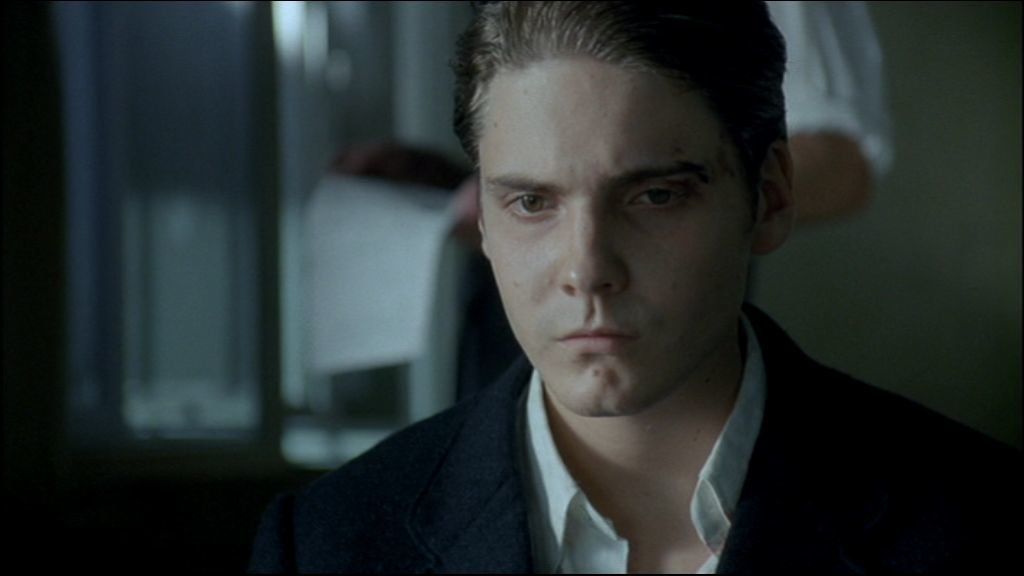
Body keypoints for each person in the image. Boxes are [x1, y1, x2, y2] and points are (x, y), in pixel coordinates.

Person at [250, 3, 1020, 573]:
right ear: (483, 214)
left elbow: (845, 160)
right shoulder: (325, 545)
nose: (587, 268)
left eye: (655, 196)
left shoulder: (980, 527)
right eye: (531, 201)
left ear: (769, 198)